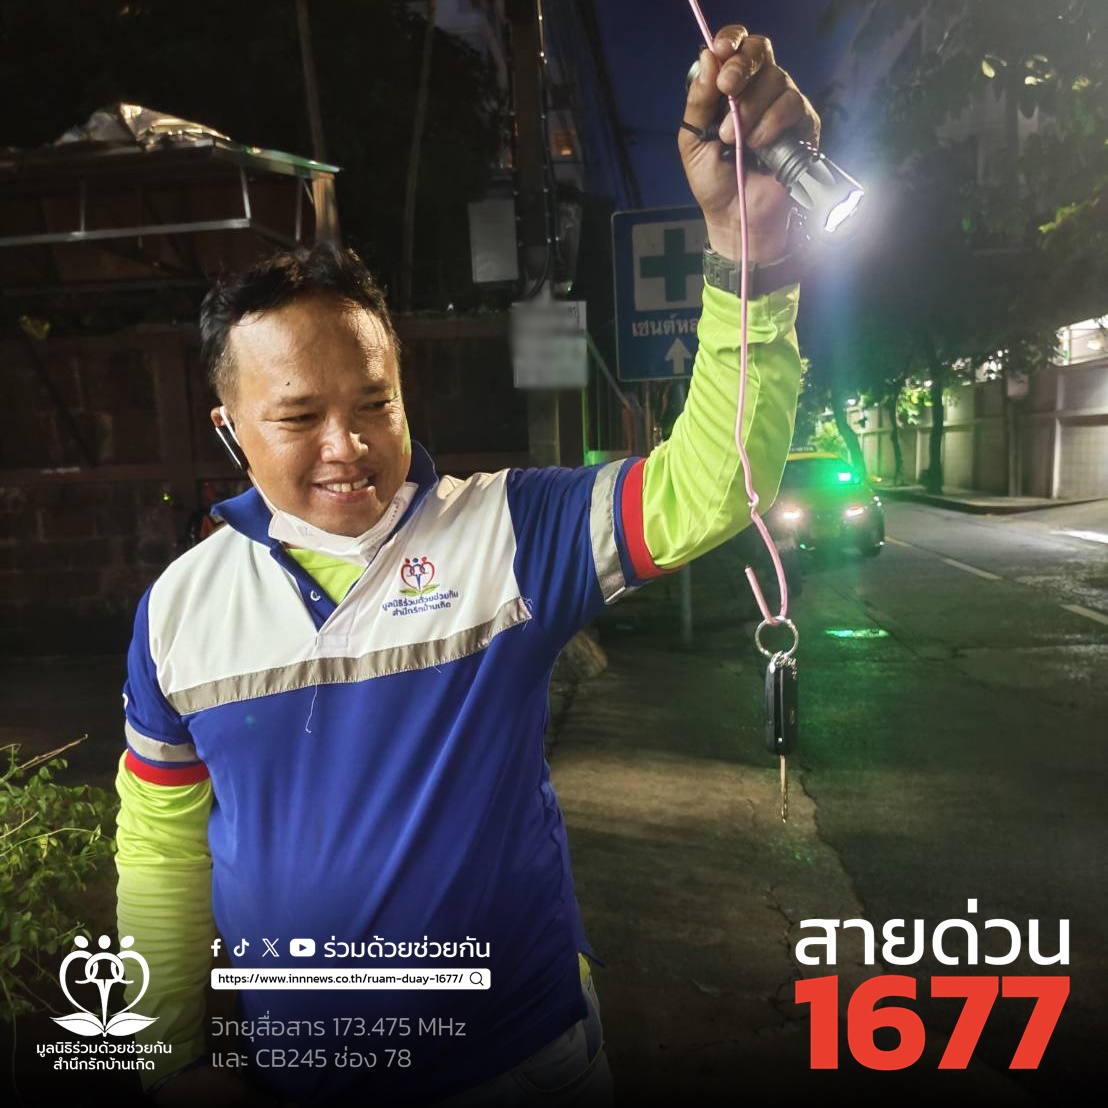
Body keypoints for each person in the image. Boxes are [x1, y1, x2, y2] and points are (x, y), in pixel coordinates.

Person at [115, 25, 818, 1107]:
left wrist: (746, 248)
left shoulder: (511, 533)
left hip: (525, 1063)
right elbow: (161, 847)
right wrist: (162, 1060)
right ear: (230, 429)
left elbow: (716, 482)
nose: (347, 446)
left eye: (375, 402)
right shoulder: (178, 612)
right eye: (298, 417)